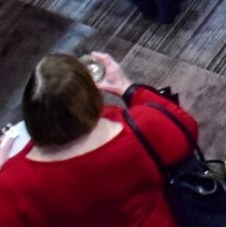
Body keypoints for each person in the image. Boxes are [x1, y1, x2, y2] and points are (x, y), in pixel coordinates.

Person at [0, 51, 200, 225]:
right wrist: (127, 87)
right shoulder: (143, 127)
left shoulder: (13, 184)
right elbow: (186, 128)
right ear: (90, 97)